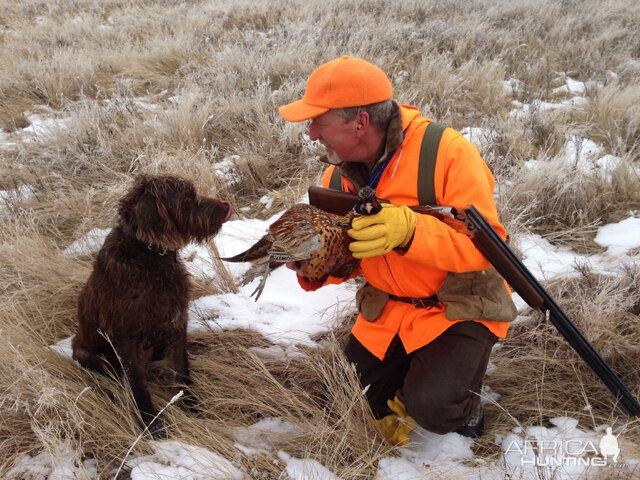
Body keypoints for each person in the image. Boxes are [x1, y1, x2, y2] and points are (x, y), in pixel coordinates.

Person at [278, 56, 516, 444]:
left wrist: (410, 231)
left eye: (320, 121)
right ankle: (416, 371)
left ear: (361, 123)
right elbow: (350, 259)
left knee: (435, 410)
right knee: (341, 399)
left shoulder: (447, 152)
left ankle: (463, 400)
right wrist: (313, 263)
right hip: (389, 309)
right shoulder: (336, 177)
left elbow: (487, 250)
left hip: (457, 308)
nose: (311, 134)